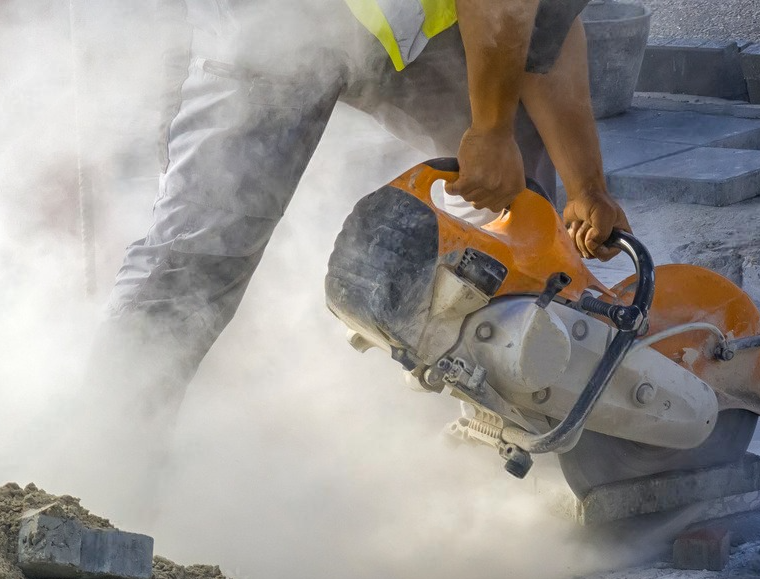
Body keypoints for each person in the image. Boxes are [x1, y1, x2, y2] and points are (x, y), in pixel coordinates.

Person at [94, 0, 631, 431]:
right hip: (277, 20)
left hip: (403, 23)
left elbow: (542, 25)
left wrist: (586, 186)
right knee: (204, 243)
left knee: (524, 207)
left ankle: (533, 407)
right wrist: (487, 133)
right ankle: (107, 452)